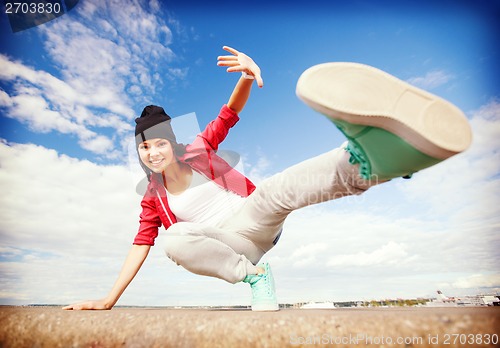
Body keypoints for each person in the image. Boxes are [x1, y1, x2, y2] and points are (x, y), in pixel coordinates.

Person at [63, 46, 472, 311]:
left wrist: (246, 75)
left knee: (277, 190)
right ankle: (256, 277)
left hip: (253, 217)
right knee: (173, 239)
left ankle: (375, 159)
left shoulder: (199, 151)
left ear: (171, 142)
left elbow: (228, 114)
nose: (152, 152)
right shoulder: (153, 198)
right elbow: (140, 246)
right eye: (143, 147)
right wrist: (108, 300)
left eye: (158, 143)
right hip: (229, 246)